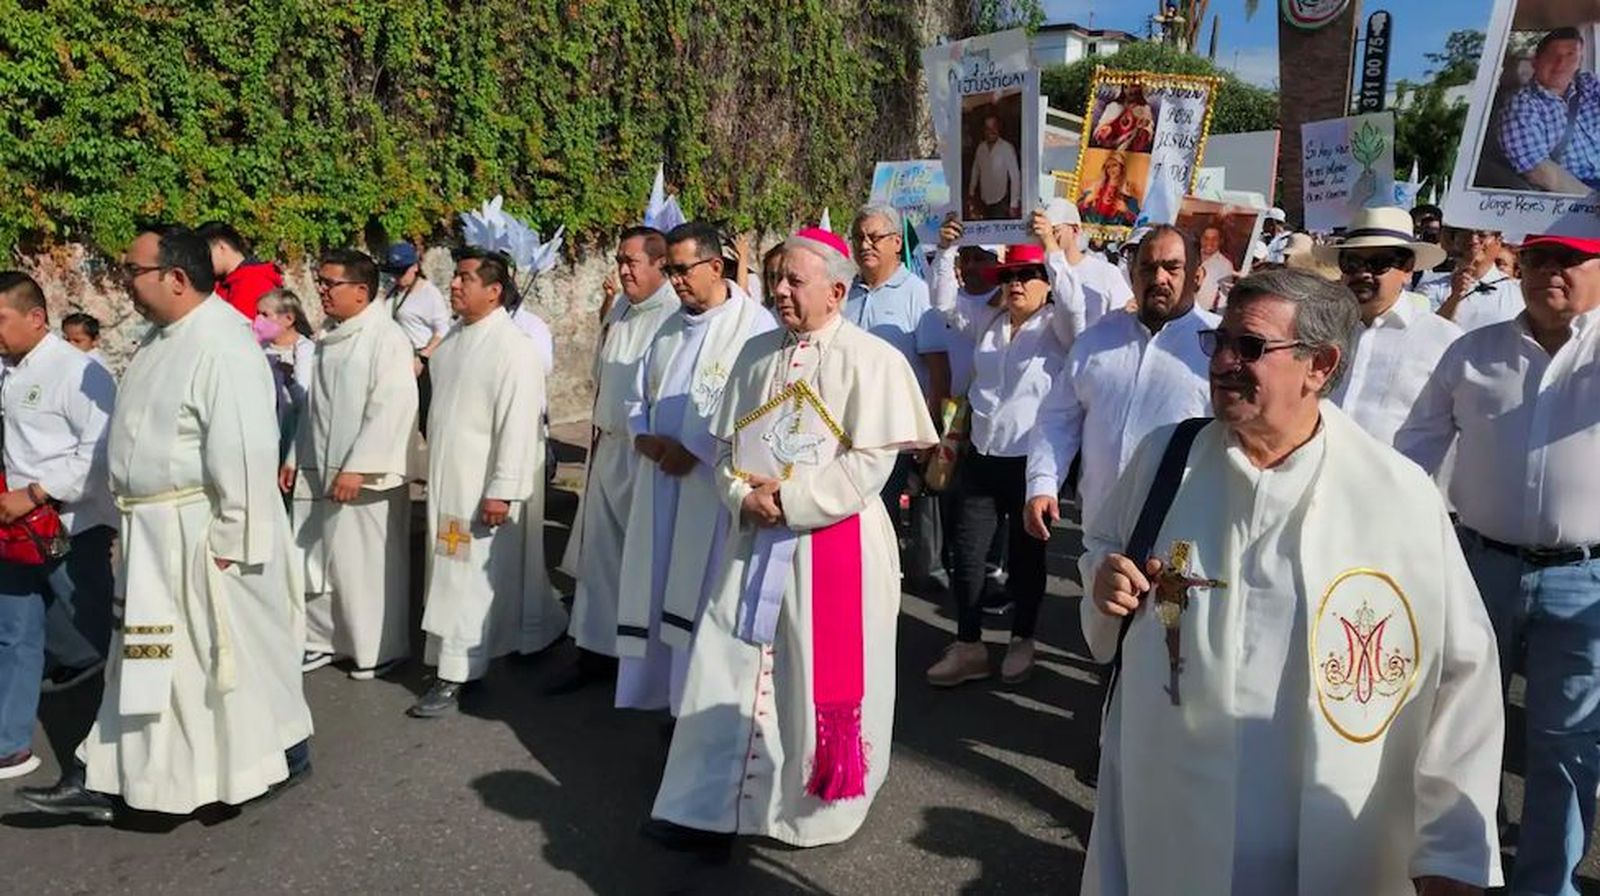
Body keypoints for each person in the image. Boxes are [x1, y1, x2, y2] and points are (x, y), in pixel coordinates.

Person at [1082, 267, 1503, 895]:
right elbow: (1103, 547)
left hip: (1327, 830)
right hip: (1172, 808)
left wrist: (1451, 852)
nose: (1223, 361)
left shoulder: (1396, 493)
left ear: (1320, 365)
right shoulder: (1167, 457)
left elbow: (1462, 671)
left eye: (1249, 347)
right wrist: (1103, 584)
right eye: (1218, 341)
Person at [645, 227, 937, 851]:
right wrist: (740, 496)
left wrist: (792, 502)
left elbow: (870, 465)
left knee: (811, 676)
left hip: (833, 545)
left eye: (793, 280)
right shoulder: (754, 356)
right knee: (728, 665)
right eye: (775, 278)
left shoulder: (872, 359)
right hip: (752, 542)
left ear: (835, 291)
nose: (778, 290)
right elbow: (725, 451)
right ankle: (710, 806)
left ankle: (812, 808)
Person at [19, 225, 313, 822]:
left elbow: (244, 450)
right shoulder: (160, 340)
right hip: (152, 535)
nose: (123, 281)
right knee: (148, 659)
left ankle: (221, 766)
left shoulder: (221, 346)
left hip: (195, 537)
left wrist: (234, 540)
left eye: (132, 271)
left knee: (198, 667)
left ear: (176, 278)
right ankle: (119, 773)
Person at [1397, 234, 1600, 896]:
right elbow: (1416, 450)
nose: (1550, 273)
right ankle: (1457, 870)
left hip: (1584, 579)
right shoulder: (1474, 351)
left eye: (1569, 260)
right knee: (1458, 724)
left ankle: (1546, 886)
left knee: (1565, 747)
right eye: (1539, 258)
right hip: (1480, 568)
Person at [613, 221, 776, 714]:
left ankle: (700, 707)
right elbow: (639, 391)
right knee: (659, 584)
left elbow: (761, 406)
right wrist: (643, 433)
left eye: (683, 270)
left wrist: (698, 449)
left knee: (703, 597)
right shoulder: (668, 325)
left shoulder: (755, 327)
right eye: (669, 270)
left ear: (716, 266)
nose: (675, 280)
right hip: (662, 483)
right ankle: (662, 695)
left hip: (713, 491)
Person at [1021, 223, 1216, 617]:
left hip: (1181, 539)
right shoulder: (1097, 340)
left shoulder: (1218, 348)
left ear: (1197, 276)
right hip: (1103, 533)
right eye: (1147, 267)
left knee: (1169, 652)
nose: (1158, 278)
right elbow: (1058, 418)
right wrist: (1042, 484)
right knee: (1103, 641)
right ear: (1131, 273)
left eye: (1171, 268)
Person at [925, 217, 1085, 686]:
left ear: (1046, 283)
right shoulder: (989, 321)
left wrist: (1051, 250)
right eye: (1010, 276)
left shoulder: (1059, 328)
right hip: (983, 455)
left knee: (1026, 558)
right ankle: (969, 642)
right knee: (969, 553)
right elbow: (944, 307)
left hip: (1032, 463)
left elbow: (1074, 307)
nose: (1016, 284)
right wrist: (948, 251)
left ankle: (1022, 638)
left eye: (1026, 276)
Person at [408, 249, 567, 718]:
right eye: (455, 277)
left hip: (479, 488)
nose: (453, 285)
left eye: (464, 278)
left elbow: (519, 425)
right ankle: (458, 654)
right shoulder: (454, 342)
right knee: (451, 574)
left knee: (464, 579)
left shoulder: (512, 349)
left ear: (494, 291)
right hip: (448, 481)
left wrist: (502, 489)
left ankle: (456, 673)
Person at [0, 273, 117, 779]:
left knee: (92, 634)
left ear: (35, 318)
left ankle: (114, 745)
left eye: (0, 320)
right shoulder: (6, 370)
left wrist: (36, 493)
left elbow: (99, 453)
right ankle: (10, 744)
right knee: (12, 632)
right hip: (11, 530)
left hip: (67, 528)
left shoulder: (77, 373)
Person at [283, 249, 418, 681]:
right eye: (319, 281)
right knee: (318, 559)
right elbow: (313, 407)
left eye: (329, 283)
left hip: (361, 477)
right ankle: (324, 639)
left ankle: (376, 647)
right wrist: (294, 455)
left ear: (361, 291)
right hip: (319, 467)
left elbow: (392, 407)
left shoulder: (386, 338)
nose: (320, 291)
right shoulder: (329, 336)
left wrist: (360, 466)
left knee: (363, 565)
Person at [560, 226, 679, 693]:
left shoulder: (673, 316)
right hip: (609, 447)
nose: (624, 269)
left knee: (643, 559)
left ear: (660, 264)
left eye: (633, 261)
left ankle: (642, 661)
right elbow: (602, 373)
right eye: (620, 260)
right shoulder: (623, 309)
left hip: (646, 455)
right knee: (600, 558)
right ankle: (593, 651)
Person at [846, 206, 949, 587]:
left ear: (895, 243)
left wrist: (931, 429)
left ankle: (882, 589)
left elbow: (937, 368)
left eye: (874, 237)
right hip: (846, 430)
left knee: (881, 518)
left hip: (893, 435)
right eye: (859, 237)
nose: (865, 245)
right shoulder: (846, 293)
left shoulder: (917, 294)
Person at [1314, 207, 1462, 446]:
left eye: (1378, 263)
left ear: (1407, 269)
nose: (1362, 273)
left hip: (1401, 480)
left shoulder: (1444, 341)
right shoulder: (1321, 330)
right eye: (1351, 262)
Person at [1498, 27, 1600, 194]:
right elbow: (1540, 172)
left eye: (1570, 55)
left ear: (1579, 62)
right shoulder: (1521, 105)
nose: (1561, 63)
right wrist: (1591, 202)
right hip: (1578, 193)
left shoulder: (1589, 84)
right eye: (1552, 56)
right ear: (1535, 61)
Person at [378, 242, 450, 432]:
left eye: (402, 271)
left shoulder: (429, 293)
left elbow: (442, 329)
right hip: (396, 359)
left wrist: (423, 357)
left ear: (416, 267)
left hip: (419, 362)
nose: (397, 276)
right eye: (394, 272)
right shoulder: (393, 292)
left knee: (421, 417)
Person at [1044, 199, 1134, 330]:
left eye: (1054, 231)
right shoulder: (1033, 274)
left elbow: (1123, 322)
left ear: (1074, 230)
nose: (1046, 238)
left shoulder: (1107, 273)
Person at [1425, 228, 1523, 331]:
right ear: (1455, 241)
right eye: (1465, 234)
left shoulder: (1519, 291)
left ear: (1498, 240)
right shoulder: (1431, 289)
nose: (1473, 240)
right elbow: (1429, 333)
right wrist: (1454, 298)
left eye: (1482, 235)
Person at [196, 221, 283, 319]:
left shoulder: (251, 282)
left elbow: (237, 331)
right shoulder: (228, 281)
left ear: (221, 247)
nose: (202, 260)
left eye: (205, 253)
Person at [967, 113, 1021, 219]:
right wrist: (971, 193)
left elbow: (1015, 177)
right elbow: (975, 171)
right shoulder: (980, 148)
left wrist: (1014, 205)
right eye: (987, 128)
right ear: (983, 130)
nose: (991, 131)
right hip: (983, 200)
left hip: (1000, 202)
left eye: (994, 127)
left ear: (999, 128)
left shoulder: (1007, 148)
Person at [1078, 152, 1141, 228]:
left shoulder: (1128, 193)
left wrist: (1126, 211)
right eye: (1108, 167)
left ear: (1122, 167)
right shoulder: (1096, 188)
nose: (1111, 170)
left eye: (1115, 165)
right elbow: (1077, 212)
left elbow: (1139, 222)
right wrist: (1086, 202)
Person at [1091, 84, 1155, 153]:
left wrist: (1142, 129)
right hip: (1110, 148)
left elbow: (1148, 131)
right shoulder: (1114, 106)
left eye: (1133, 87)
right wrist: (1105, 130)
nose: (1130, 91)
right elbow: (1101, 126)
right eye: (1126, 87)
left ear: (1139, 89)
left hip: (1131, 151)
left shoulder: (1144, 109)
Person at [1196, 223, 1236, 311]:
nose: (1209, 242)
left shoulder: (1226, 265)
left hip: (1203, 313)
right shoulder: (1190, 254)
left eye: (1214, 239)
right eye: (1206, 238)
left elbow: (1224, 296)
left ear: (1220, 241)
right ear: (1201, 239)